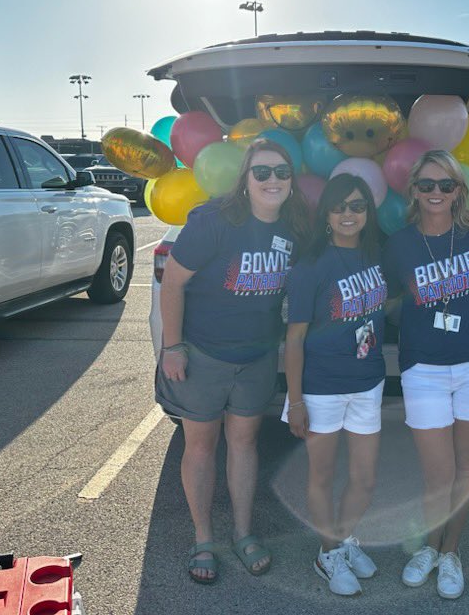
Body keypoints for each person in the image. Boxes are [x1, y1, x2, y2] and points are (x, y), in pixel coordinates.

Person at [157, 138, 310, 585]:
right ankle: (204, 539)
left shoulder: (294, 229)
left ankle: (243, 533)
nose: (272, 180)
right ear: (245, 179)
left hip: (256, 357)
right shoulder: (215, 221)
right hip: (201, 355)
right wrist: (172, 347)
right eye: (261, 172)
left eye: (281, 172)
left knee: (244, 444)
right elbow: (173, 284)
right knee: (200, 446)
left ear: (291, 181)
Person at [382, 149, 469, 600]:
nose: (436, 192)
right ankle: (429, 548)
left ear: (459, 191)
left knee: (466, 469)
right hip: (423, 367)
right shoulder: (398, 244)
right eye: (427, 184)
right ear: (413, 190)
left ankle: (449, 552)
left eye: (445, 184)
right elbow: (386, 300)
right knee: (438, 473)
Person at [282, 174, 387, 596]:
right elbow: (295, 338)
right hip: (321, 387)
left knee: (364, 478)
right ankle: (328, 553)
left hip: (368, 382)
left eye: (358, 206)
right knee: (322, 476)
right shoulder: (311, 266)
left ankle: (343, 540)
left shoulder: (375, 256)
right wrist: (296, 402)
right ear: (326, 213)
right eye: (340, 206)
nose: (349, 214)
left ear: (368, 212)